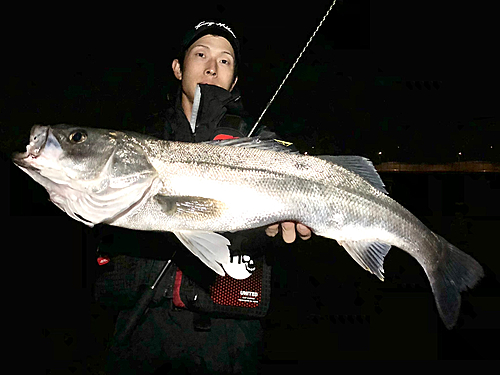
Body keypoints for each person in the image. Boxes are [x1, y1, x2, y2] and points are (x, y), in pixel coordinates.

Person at [94, 21, 311, 374]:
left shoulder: (263, 146)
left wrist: (290, 223)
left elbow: (292, 226)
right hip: (142, 330)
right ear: (178, 68)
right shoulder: (138, 141)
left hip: (228, 340)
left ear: (234, 80)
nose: (212, 67)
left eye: (225, 61)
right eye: (200, 54)